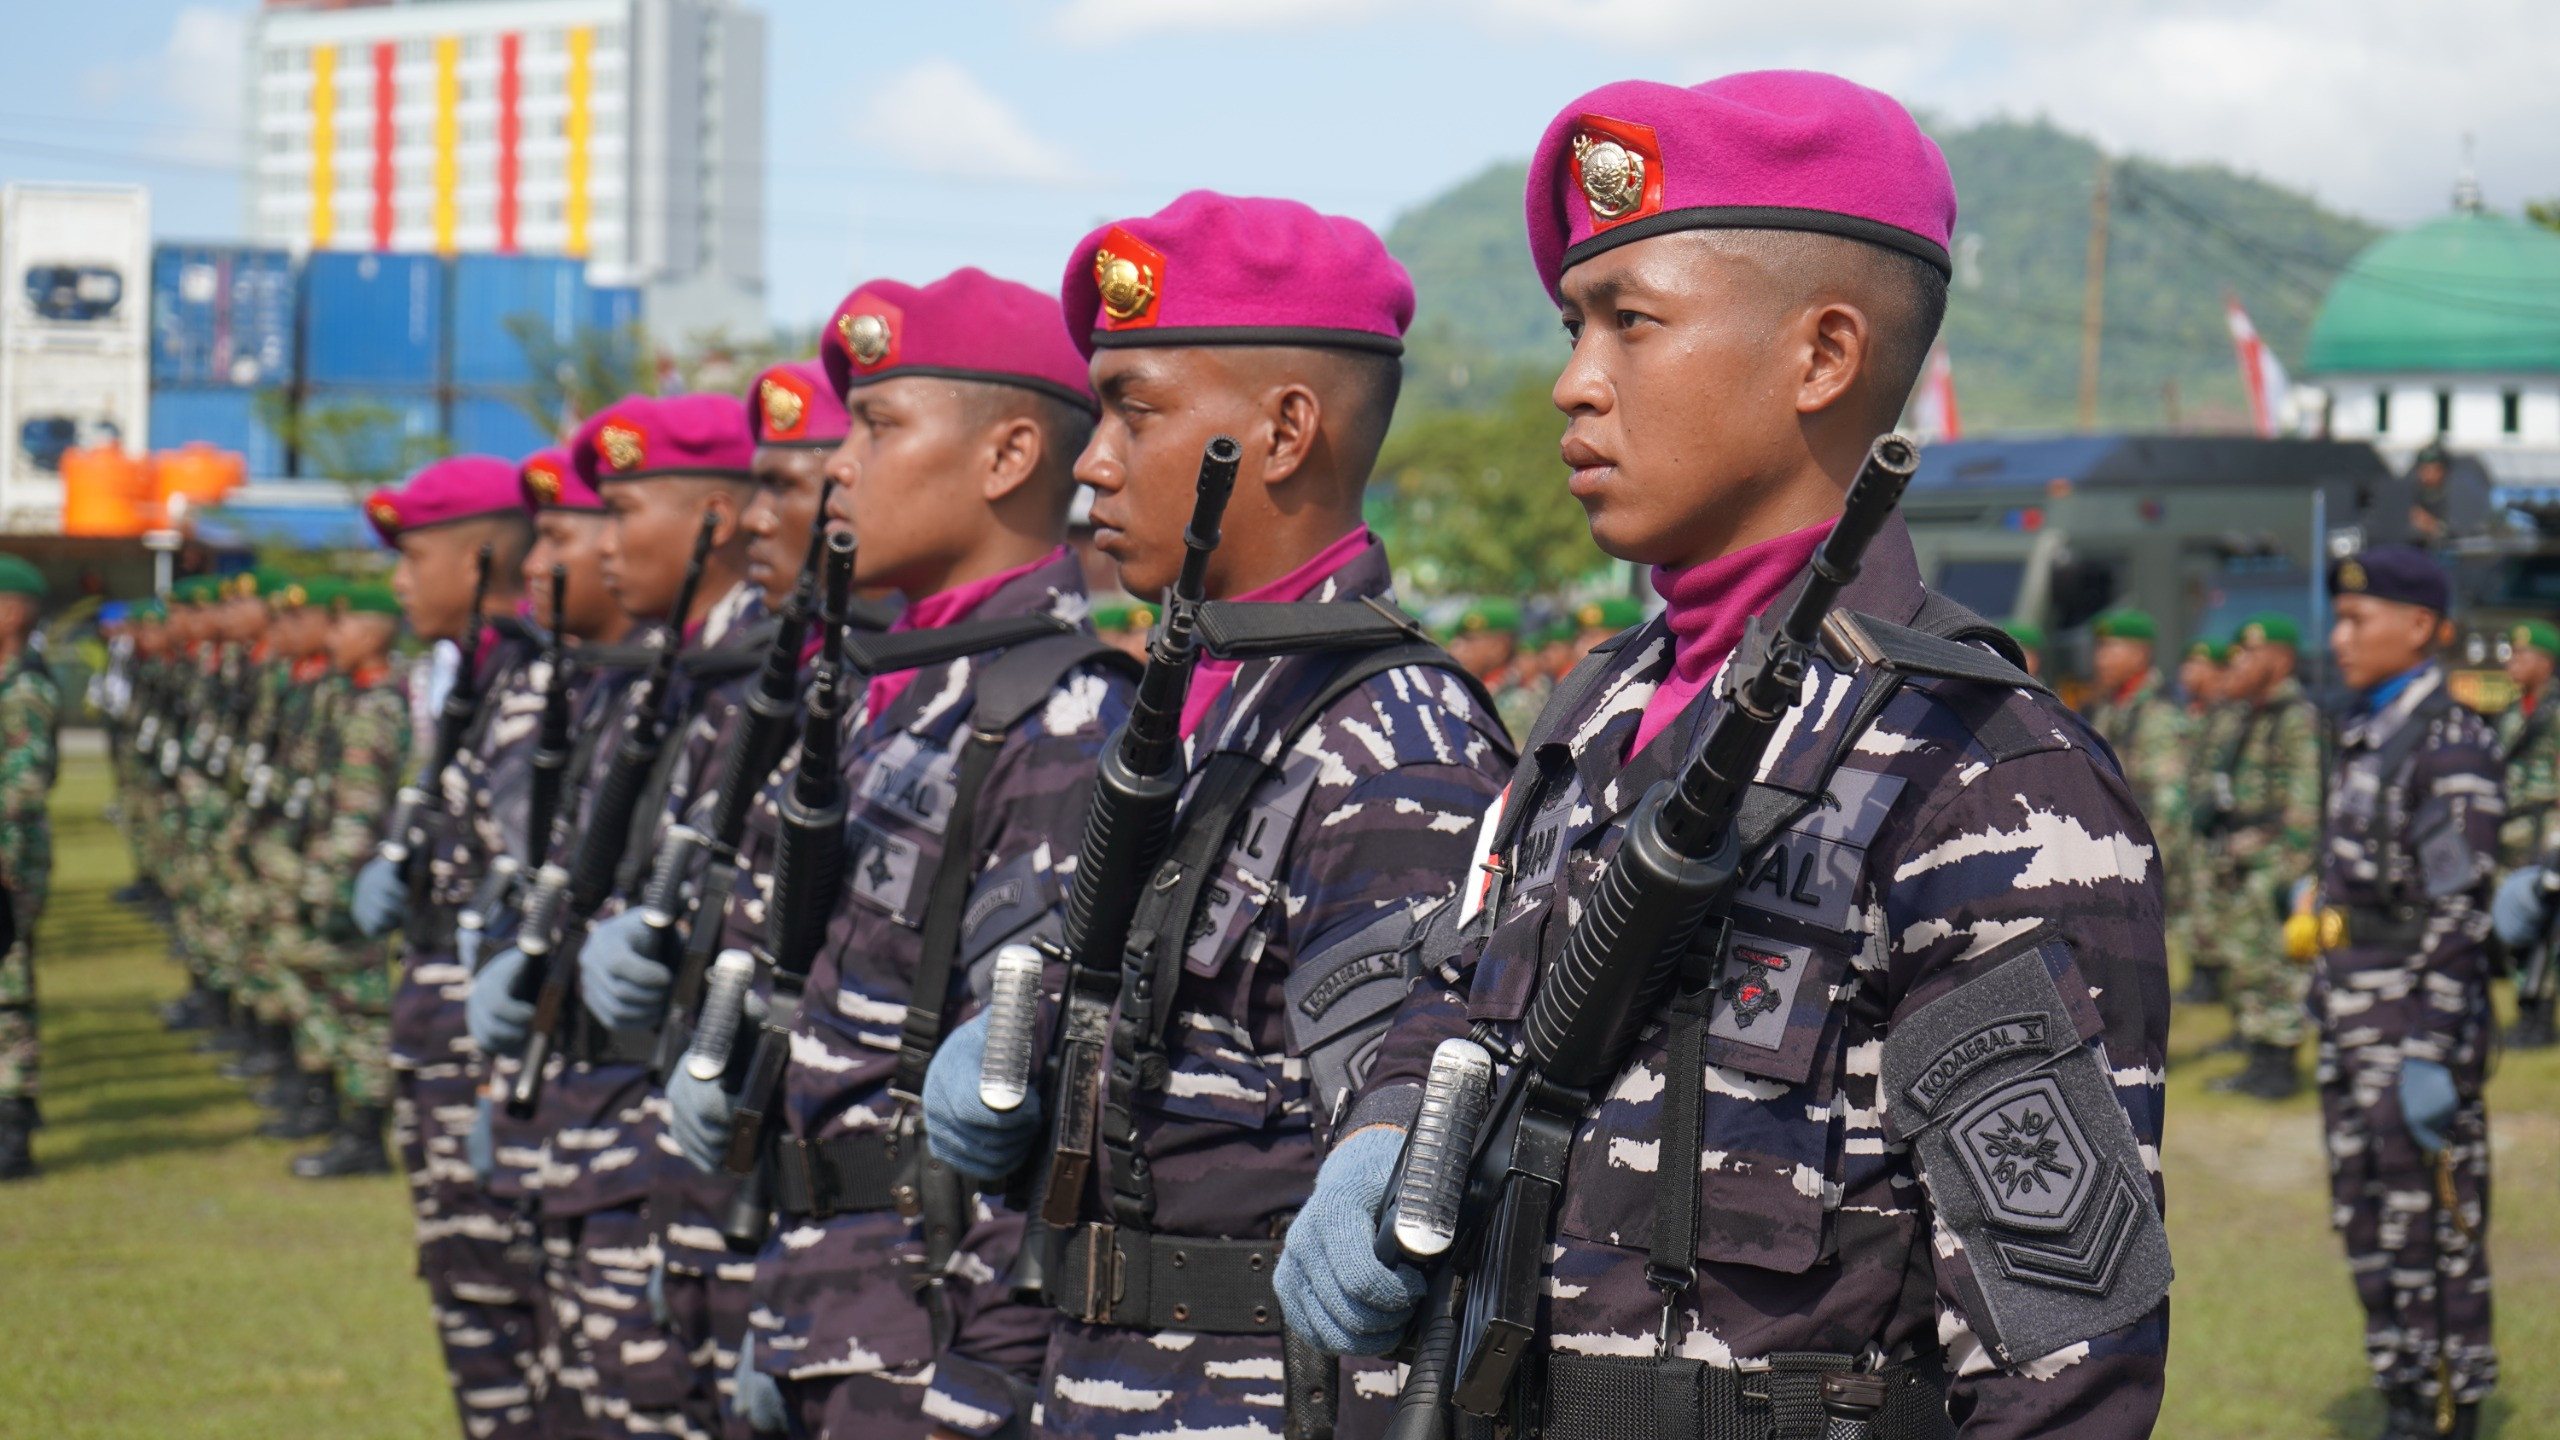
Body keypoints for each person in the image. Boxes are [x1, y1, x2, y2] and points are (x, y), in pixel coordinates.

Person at [1274, 72, 2170, 1438]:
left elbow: (2066, 1369)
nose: (1574, 383)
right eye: (1575, 326)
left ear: (1821, 356)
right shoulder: (1595, 715)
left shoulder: (1978, 776)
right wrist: (1387, 1119)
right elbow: (1464, 990)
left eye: (1632, 323)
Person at [918, 191, 1514, 1440]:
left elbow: (1390, 1218)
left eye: (1135, 409)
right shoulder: (1210, 711)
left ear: (1284, 431)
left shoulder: (1386, 741)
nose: (1091, 461)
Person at [648, 269, 1139, 1440]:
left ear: (1010, 454)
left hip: (933, 1339)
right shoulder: (892, 692)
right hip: (833, 1300)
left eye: (878, 425)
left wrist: (981, 1384)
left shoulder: (1060, 718)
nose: (837, 467)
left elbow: (1041, 1115)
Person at [352, 456, 549, 1440]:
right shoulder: (473, 681)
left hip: (490, 1073)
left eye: (414, 555)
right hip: (442, 1053)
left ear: (478, 560)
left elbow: (527, 906)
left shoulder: (528, 692)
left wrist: (487, 1089)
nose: (396, 581)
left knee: (514, 1344)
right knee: (472, 1326)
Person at [2317, 547, 2498, 1439]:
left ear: (2419, 627)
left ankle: (2449, 1401)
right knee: (2366, 1216)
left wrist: (2431, 1047)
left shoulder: (2449, 741)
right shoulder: (2365, 725)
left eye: (2357, 619)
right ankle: (2398, 1390)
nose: (2338, 636)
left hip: (2412, 1024)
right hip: (2350, 1019)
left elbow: (2459, 910)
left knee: (2431, 1226)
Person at [289, 581, 412, 1179]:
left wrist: (334, 885)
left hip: (353, 879)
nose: (331, 637)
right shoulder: (354, 698)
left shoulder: (378, 706)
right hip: (333, 868)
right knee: (332, 997)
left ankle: (365, 1134)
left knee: (360, 1005)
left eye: (341, 626)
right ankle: (343, 1114)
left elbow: (359, 811)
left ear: (370, 634)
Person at [2201, 615, 2322, 1098]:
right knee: (2249, 964)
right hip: (2241, 857)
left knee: (2277, 967)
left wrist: (2285, 875)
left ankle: (2280, 1065)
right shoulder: (2249, 713)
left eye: (2254, 652)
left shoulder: (2296, 717)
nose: (2243, 662)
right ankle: (2259, 1056)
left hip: (2272, 863)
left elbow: (2305, 802)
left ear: (2281, 659)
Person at [0, 554, 60, 1181]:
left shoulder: (25, 688)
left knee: (8, 995)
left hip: (9, 862)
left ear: (13, 613)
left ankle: (14, 1132)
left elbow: (23, 785)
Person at [2495, 618, 2560, 1047]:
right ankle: (2524, 1010)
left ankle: (2540, 1018)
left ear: (2547, 661)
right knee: (2516, 923)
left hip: (2546, 831)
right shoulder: (2511, 714)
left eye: (2523, 656)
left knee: (2546, 928)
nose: (2513, 664)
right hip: (2511, 834)